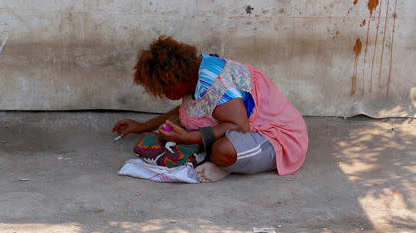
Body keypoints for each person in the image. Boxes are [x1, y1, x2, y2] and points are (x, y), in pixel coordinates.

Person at [113, 36, 308, 182]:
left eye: (164, 89)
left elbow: (239, 125)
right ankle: (218, 157)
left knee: (221, 151)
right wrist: (143, 126)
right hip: (245, 127)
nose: (163, 94)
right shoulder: (194, 73)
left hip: (278, 137)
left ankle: (226, 166)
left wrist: (188, 138)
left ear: (175, 80)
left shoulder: (215, 83)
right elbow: (186, 112)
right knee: (170, 134)